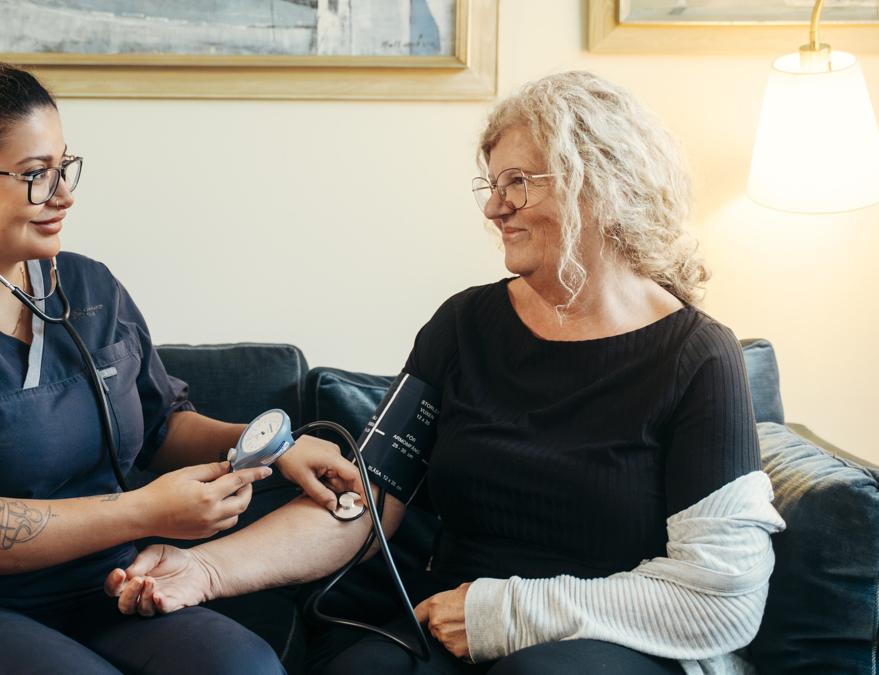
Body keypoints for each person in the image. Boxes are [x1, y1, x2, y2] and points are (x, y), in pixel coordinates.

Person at [104, 71, 786, 675]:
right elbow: (363, 506)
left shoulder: (699, 356)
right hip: (447, 622)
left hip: (606, 636)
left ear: (598, 182)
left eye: (518, 182)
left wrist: (501, 612)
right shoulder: (463, 326)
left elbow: (718, 596)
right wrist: (205, 568)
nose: (494, 208)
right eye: (492, 186)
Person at [0, 57, 361, 675]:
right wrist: (147, 512)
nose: (64, 194)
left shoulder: (88, 288)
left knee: (243, 668)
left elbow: (158, 425)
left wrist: (265, 447)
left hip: (99, 589)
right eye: (35, 175)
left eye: (64, 167)